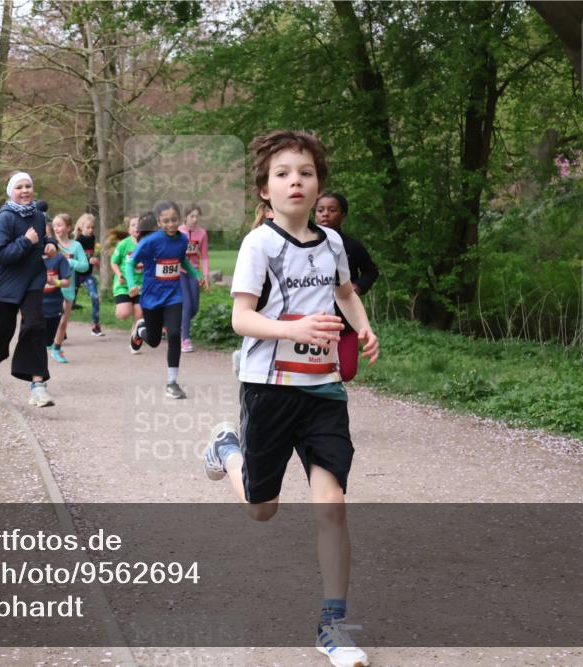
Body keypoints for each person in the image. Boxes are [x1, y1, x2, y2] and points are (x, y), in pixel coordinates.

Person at [201, 130, 379, 667]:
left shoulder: (332, 243)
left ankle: (333, 627)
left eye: (304, 172)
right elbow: (241, 318)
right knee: (262, 510)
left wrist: (364, 328)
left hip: (323, 390)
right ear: (265, 190)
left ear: (319, 182)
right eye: (282, 174)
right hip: (270, 389)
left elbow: (345, 290)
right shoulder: (261, 244)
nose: (295, 181)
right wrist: (293, 325)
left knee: (333, 507)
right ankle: (226, 450)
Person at [0, 171, 58, 407]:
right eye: (19, 187)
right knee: (2, 334)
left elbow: (43, 240)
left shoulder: (39, 215)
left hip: (33, 280)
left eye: (28, 186)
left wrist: (51, 245)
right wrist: (26, 242)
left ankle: (38, 386)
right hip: (8, 284)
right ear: (11, 192)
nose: (25, 191)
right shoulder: (5, 219)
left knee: (35, 326)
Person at [125, 202, 206, 399]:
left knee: (174, 334)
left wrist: (196, 273)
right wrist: (130, 285)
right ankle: (140, 330)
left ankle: (172, 383)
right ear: (159, 222)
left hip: (173, 296)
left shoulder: (181, 240)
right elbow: (130, 263)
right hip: (152, 297)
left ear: (179, 220)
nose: (170, 224)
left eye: (174, 220)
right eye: (166, 221)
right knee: (153, 341)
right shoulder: (150, 241)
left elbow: (181, 260)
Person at [315, 193, 379, 382]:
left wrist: (358, 287)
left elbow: (371, 271)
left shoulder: (352, 246)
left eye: (332, 210)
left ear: (343, 215)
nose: (325, 214)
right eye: (320, 210)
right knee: (312, 369)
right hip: (313, 317)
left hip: (345, 319)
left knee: (347, 371)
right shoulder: (303, 244)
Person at [50, 213, 89, 363]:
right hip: (50, 288)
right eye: (54, 226)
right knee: (49, 319)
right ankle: (47, 343)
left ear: (68, 227)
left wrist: (70, 263)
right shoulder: (51, 245)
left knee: (63, 321)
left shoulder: (76, 246)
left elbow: (85, 266)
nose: (56, 228)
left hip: (68, 287)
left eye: (59, 225)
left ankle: (57, 348)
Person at [110, 215, 146, 349]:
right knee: (124, 313)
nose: (137, 227)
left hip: (141, 285)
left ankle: (135, 338)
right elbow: (113, 263)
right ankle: (122, 307)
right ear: (129, 230)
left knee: (139, 312)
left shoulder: (148, 244)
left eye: (140, 225)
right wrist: (119, 274)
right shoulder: (124, 244)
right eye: (133, 225)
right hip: (124, 285)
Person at [178, 204, 210, 352]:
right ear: (185, 217)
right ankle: (185, 339)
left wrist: (205, 276)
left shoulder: (202, 233)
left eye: (197, 216)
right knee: (187, 305)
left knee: (194, 308)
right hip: (180, 272)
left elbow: (204, 257)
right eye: (192, 216)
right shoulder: (178, 232)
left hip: (194, 273)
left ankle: (176, 323)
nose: (195, 219)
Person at [42, 222, 74, 363]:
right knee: (35, 333)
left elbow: (67, 281)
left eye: (47, 236)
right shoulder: (33, 259)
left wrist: (56, 282)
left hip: (54, 303)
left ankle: (54, 348)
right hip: (37, 302)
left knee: (49, 339)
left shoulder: (59, 258)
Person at [72, 213, 104, 336]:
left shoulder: (92, 238)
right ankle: (60, 328)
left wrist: (95, 261)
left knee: (95, 297)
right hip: (75, 274)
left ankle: (96, 326)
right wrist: (87, 258)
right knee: (69, 302)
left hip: (87, 275)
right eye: (88, 227)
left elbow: (91, 256)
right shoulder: (77, 241)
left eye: (92, 227)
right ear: (81, 227)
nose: (90, 230)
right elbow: (74, 258)